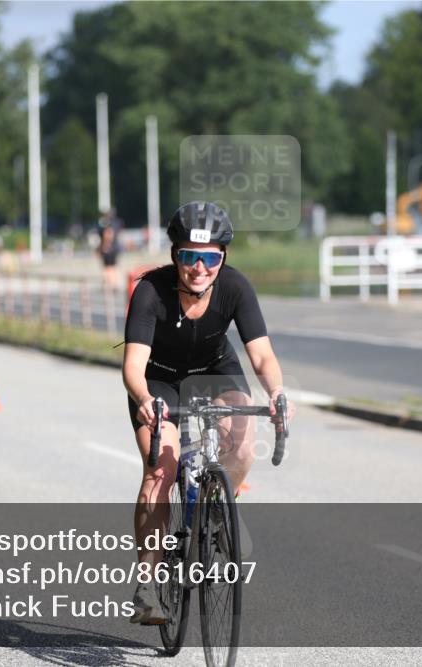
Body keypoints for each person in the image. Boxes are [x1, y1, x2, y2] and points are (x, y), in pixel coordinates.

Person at [121, 201, 295, 624]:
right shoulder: (150, 291)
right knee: (160, 469)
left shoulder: (235, 287)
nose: (199, 268)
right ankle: (147, 583)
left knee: (243, 444)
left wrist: (276, 392)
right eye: (189, 256)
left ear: (223, 258)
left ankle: (221, 509)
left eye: (210, 259)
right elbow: (133, 367)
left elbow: (262, 356)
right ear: (174, 255)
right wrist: (145, 399)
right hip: (158, 379)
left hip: (215, 369)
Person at [96, 208, 121, 290]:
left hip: (108, 248)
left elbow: (108, 234)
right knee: (113, 267)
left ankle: (109, 285)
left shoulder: (107, 223)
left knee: (107, 268)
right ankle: (114, 285)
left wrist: (105, 246)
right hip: (115, 248)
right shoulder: (116, 223)